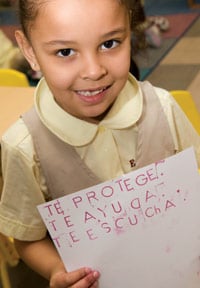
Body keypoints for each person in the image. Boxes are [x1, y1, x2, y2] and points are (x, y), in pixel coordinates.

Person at [0, 0, 199, 287]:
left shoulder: (163, 108)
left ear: (129, 31)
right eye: (65, 51)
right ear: (30, 51)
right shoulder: (24, 147)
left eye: (110, 43)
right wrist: (57, 271)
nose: (93, 71)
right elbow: (27, 237)